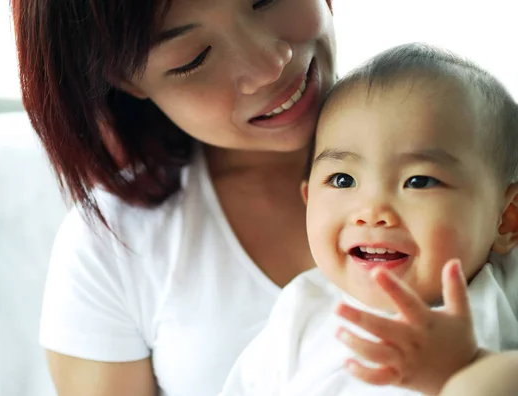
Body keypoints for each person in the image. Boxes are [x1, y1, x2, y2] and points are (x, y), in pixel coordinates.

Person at [12, 0, 336, 395]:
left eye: (266, 0)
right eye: (193, 59)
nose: (269, 64)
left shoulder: (433, 119)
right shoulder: (112, 247)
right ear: (127, 80)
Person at [220, 43, 518, 396]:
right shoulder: (300, 311)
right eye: (343, 180)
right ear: (308, 200)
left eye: (419, 181)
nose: (372, 212)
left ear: (506, 220)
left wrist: (464, 368)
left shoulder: (503, 292)